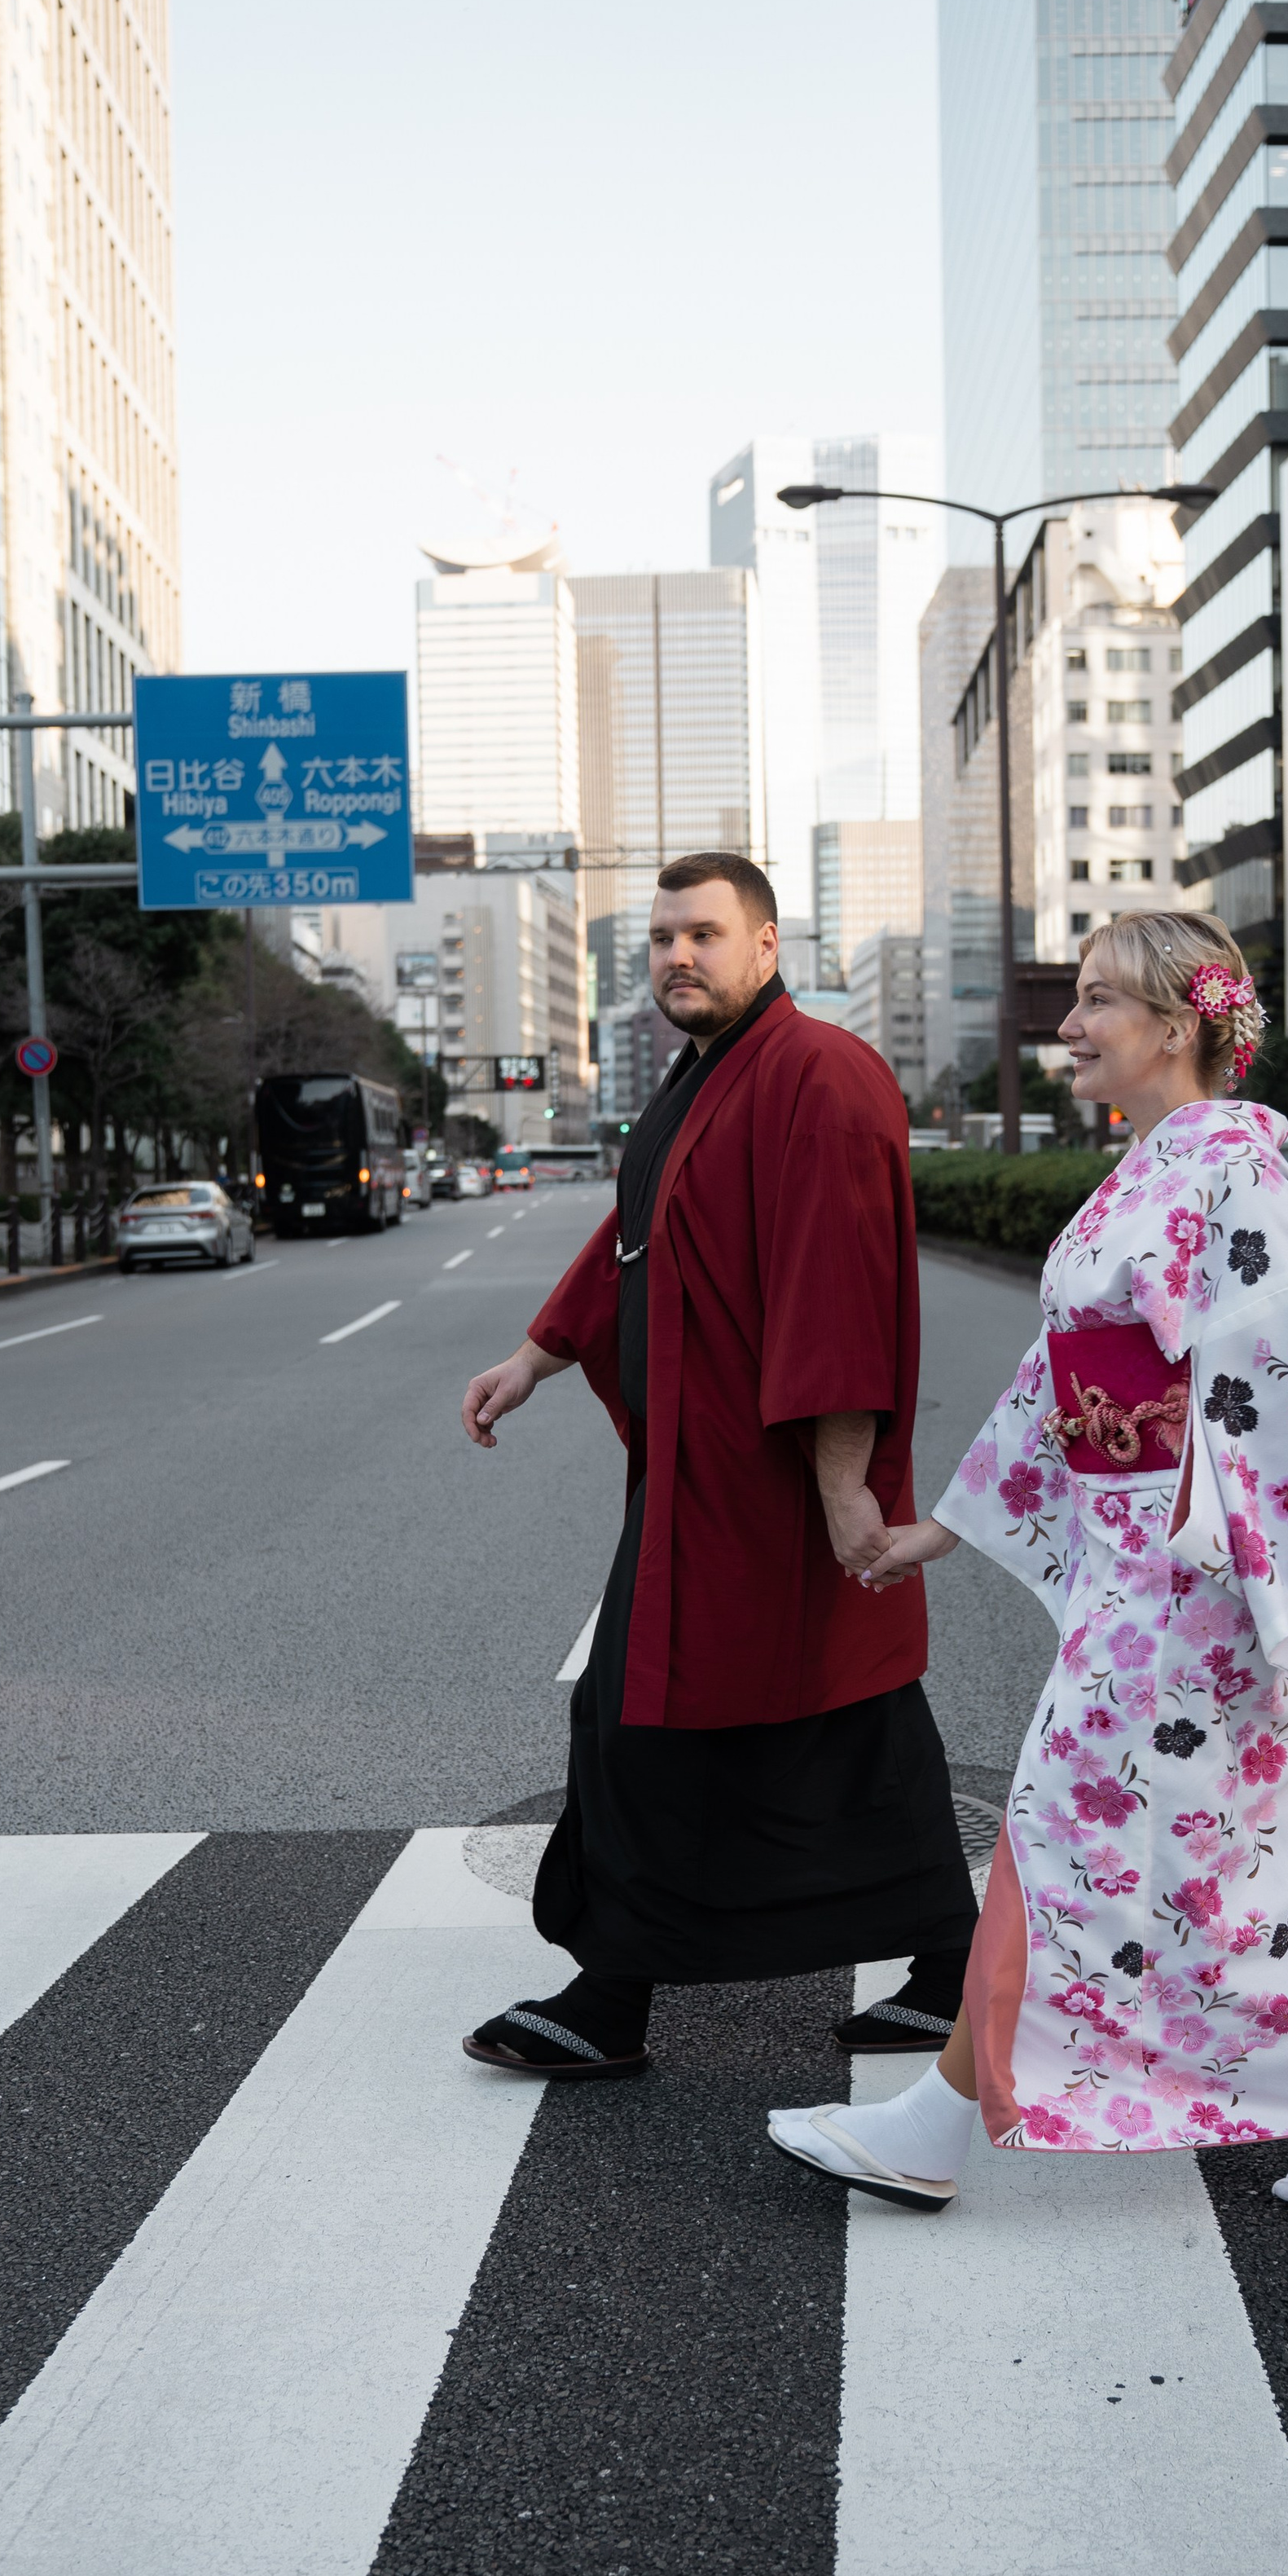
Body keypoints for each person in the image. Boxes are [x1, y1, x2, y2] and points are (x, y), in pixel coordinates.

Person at [767, 905, 1288, 2214]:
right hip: (1138, 1565)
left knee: (1063, 1820)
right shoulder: (1155, 1168)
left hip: (1187, 1580)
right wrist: (945, 1526)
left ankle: (932, 2124)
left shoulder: (1230, 1173)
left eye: (1098, 999)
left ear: (1175, 1025)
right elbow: (1054, 1382)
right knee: (1258, 1850)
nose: (1072, 1024)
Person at [457, 852, 978, 2077]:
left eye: (704, 933)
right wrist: (536, 1356)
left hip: (768, 1483)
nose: (678, 956)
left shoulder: (820, 1075)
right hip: (701, 1474)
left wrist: (843, 1490)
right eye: (662, 939)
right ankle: (953, 1965)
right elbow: (640, 1232)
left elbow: (839, 1293)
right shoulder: (709, 1076)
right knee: (843, 1723)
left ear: (767, 945)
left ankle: (613, 1993)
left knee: (649, 1721)